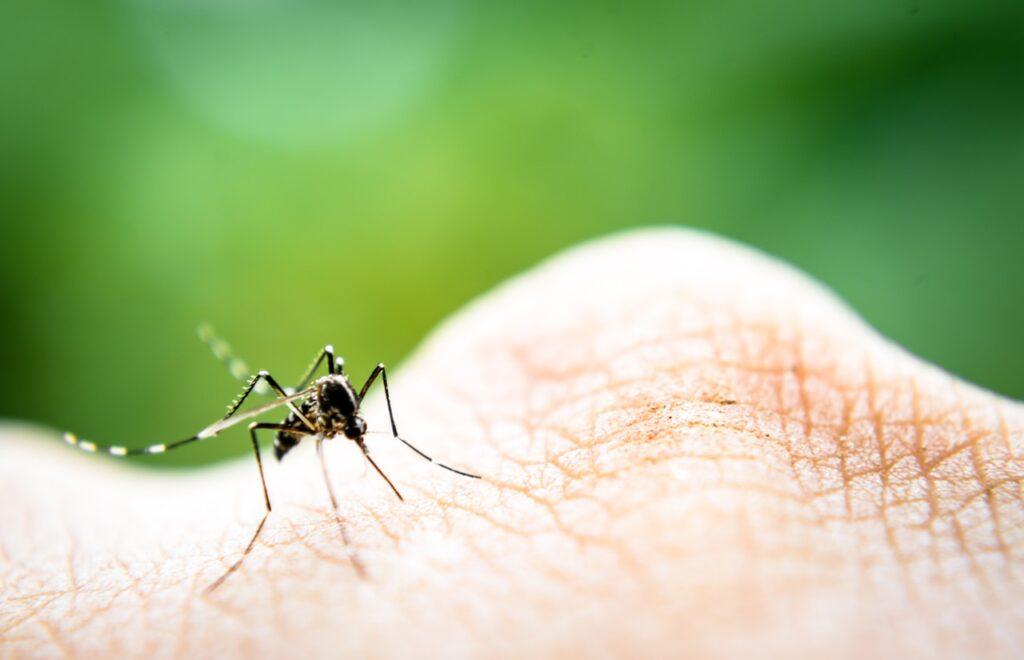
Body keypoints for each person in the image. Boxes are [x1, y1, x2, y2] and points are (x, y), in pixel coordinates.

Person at [2, 228, 1021, 657]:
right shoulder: (305, 422)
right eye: (342, 416)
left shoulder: (357, 406)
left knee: (346, 381)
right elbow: (318, 413)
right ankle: (210, 457)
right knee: (283, 384)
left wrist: (412, 460)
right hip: (273, 437)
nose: (344, 421)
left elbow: (363, 407)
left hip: (344, 423)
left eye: (345, 416)